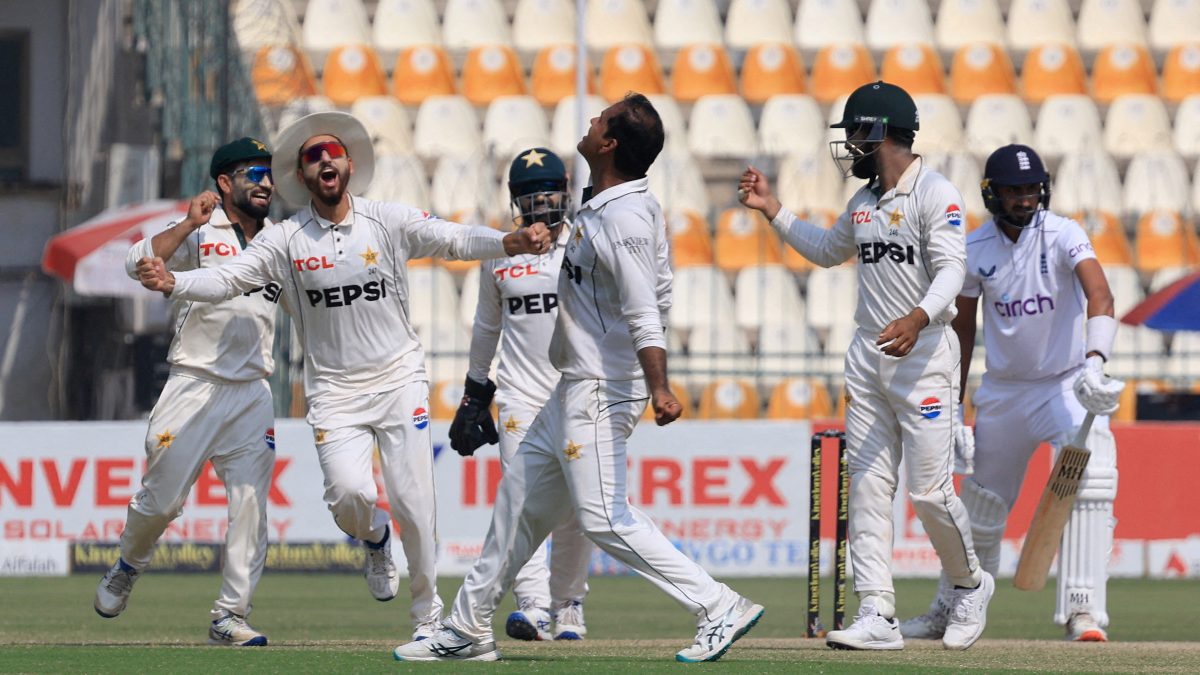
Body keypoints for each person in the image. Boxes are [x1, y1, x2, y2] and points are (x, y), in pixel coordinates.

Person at [134, 112, 551, 641]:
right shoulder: (285, 239)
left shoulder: (387, 220)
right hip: (334, 392)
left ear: (349, 164)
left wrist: (507, 243)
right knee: (350, 497)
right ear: (302, 177)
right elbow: (227, 279)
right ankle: (375, 539)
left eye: (333, 151)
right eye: (313, 156)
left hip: (399, 379)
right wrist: (174, 282)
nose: (325, 160)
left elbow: (452, 238)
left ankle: (427, 617)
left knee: (415, 504)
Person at [393, 93, 764, 664]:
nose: (589, 122)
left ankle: (718, 606)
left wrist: (659, 385)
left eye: (600, 119)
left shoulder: (625, 217)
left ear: (610, 143)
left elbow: (646, 309)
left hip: (601, 386)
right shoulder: (604, 205)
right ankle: (467, 626)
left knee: (602, 516)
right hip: (573, 383)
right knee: (517, 505)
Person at [738, 81, 993, 651]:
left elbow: (954, 272)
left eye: (855, 134)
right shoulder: (862, 203)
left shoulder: (936, 193)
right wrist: (772, 209)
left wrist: (918, 318)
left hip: (925, 358)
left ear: (880, 132)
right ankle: (877, 610)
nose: (850, 145)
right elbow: (828, 251)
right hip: (868, 358)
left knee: (928, 492)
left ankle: (969, 584)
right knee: (869, 486)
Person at [899, 144, 1125, 643]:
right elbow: (960, 331)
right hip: (1004, 394)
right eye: (1013, 190)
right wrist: (954, 412)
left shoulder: (1064, 233)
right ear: (992, 193)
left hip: (1067, 383)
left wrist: (1095, 362)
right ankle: (950, 610)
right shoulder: (976, 249)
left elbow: (1101, 295)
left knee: (1093, 479)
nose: (1024, 199)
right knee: (981, 507)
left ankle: (1083, 612)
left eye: (1030, 189)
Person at [96, 137, 280, 646]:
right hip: (193, 383)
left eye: (268, 172)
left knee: (249, 505)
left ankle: (230, 615)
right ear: (224, 182)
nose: (265, 181)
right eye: (253, 173)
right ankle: (129, 564)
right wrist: (188, 223)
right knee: (160, 504)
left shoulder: (282, 239)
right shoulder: (204, 229)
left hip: (252, 392)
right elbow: (139, 263)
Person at [449, 147, 594, 642]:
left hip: (575, 391)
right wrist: (474, 393)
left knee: (579, 502)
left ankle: (568, 604)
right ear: (517, 201)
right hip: (519, 396)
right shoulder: (502, 252)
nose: (540, 202)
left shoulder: (585, 242)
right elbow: (487, 326)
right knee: (519, 498)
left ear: (565, 192)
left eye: (548, 191)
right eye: (529, 196)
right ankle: (531, 604)